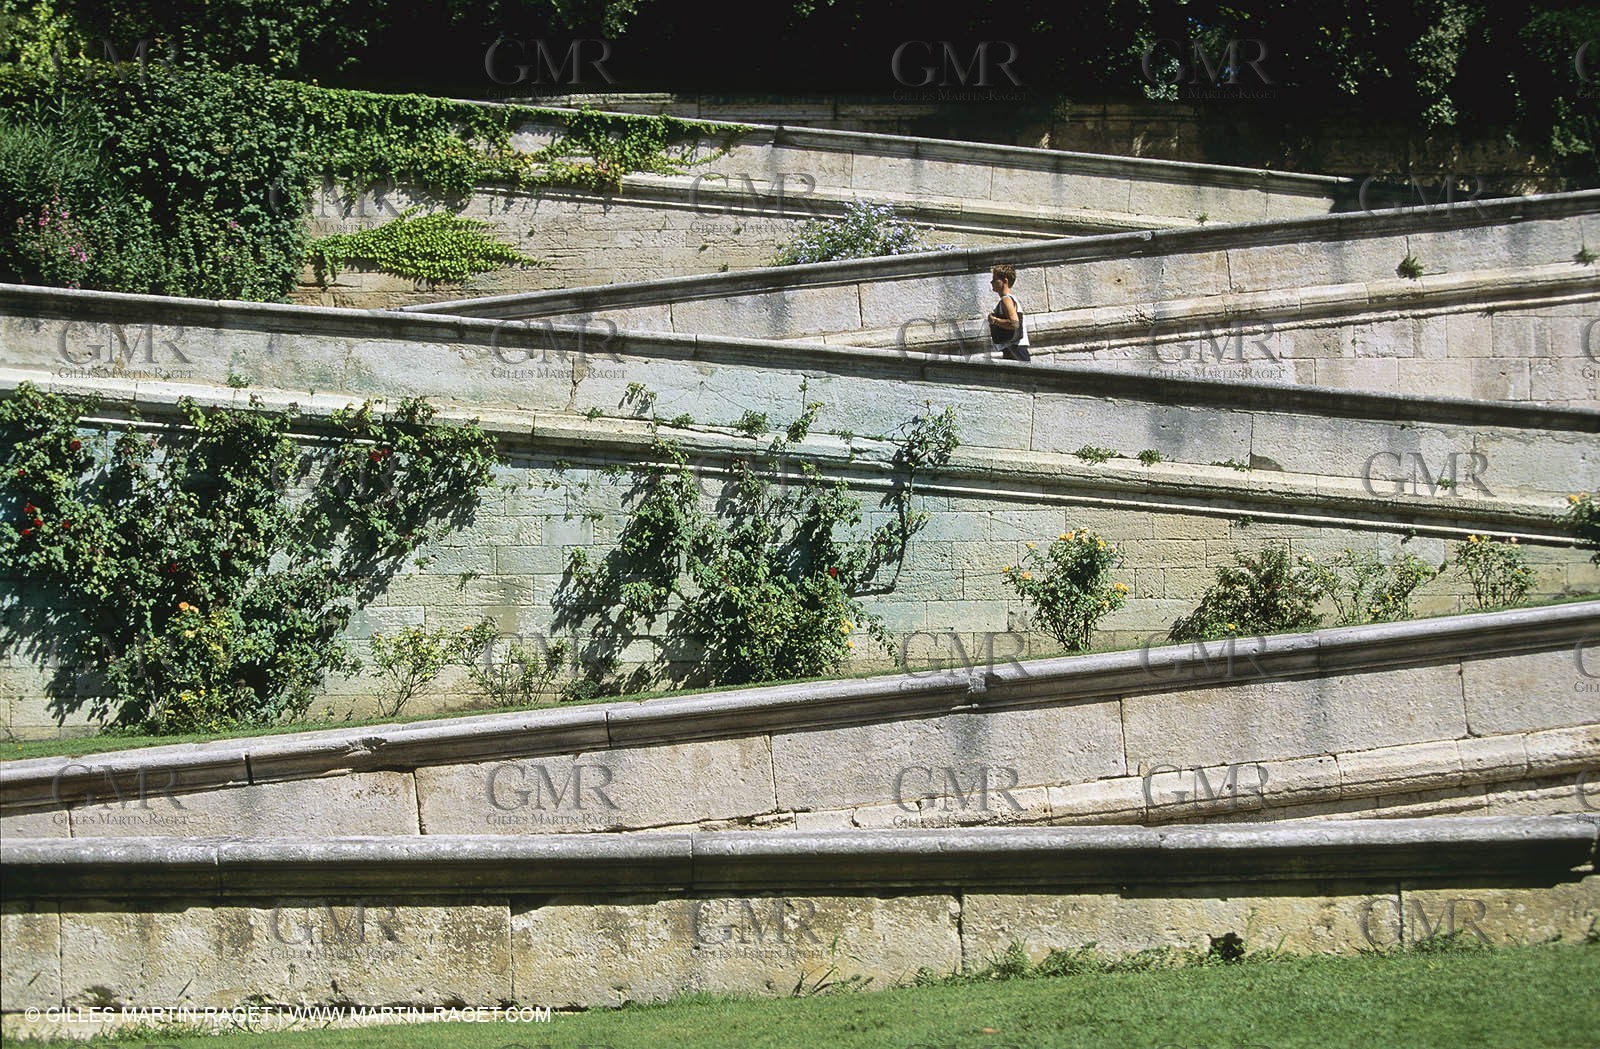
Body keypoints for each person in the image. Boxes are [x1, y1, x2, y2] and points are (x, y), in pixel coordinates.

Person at [987, 264, 1031, 362]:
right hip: (1015, 350)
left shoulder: (1006, 300)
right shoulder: (1010, 299)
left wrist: (994, 320)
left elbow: (1014, 323)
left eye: (995, 279)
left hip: (1015, 350)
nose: (992, 282)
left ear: (1005, 281)